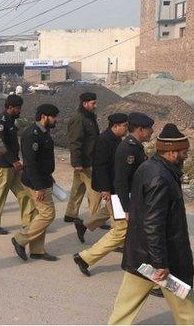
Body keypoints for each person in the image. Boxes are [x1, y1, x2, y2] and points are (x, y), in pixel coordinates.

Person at [109, 124, 194, 325]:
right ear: (172, 151)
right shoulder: (161, 177)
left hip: (141, 257)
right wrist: (161, 264)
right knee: (186, 310)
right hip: (162, 262)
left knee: (124, 309)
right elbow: (153, 224)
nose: (186, 156)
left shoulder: (150, 167)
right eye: (184, 152)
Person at [74, 112, 153, 277]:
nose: (152, 131)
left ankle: (85, 228)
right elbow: (120, 181)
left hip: (122, 197)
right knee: (121, 231)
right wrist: (126, 207)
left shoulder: (133, 145)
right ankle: (84, 258)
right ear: (140, 130)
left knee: (122, 228)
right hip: (119, 197)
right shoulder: (128, 149)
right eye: (149, 129)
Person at [11, 104, 60, 262]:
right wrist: (39, 187)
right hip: (35, 182)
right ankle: (20, 239)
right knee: (48, 214)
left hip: (43, 179)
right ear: (44, 116)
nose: (56, 120)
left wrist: (48, 175)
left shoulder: (43, 132)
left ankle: (37, 250)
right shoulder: (32, 134)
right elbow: (30, 163)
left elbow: (42, 160)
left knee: (40, 215)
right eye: (53, 117)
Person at [73, 113, 128, 244]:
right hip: (108, 184)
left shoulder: (116, 138)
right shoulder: (104, 140)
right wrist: (105, 188)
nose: (127, 128)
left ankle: (84, 225)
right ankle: (117, 242)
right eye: (125, 126)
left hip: (114, 183)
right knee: (118, 216)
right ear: (115, 126)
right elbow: (100, 166)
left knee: (111, 209)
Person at [0, 95, 35, 235]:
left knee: (24, 193)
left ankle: (29, 222)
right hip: (4, 164)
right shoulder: (2, 121)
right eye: (18, 108)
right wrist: (13, 160)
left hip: (12, 165)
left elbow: (18, 126)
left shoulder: (11, 120)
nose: (20, 110)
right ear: (10, 107)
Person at [64, 92, 103, 224]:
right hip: (85, 161)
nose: (95, 106)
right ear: (84, 103)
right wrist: (77, 163)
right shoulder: (79, 119)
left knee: (78, 188)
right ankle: (95, 219)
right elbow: (75, 141)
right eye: (93, 103)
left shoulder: (88, 117)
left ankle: (70, 214)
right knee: (95, 190)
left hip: (87, 159)